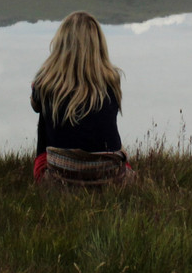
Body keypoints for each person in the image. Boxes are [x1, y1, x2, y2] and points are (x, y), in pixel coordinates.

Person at [30, 11, 133, 186]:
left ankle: (47, 172)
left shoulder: (45, 81)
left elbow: (35, 106)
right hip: (111, 178)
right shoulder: (111, 80)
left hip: (58, 179)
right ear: (98, 45)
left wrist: (39, 88)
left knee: (45, 112)